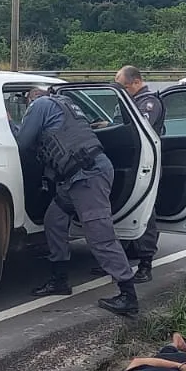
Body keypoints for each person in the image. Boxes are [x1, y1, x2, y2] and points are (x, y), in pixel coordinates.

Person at [11, 86, 139, 316]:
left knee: (101, 237)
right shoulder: (65, 104)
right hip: (78, 177)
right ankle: (60, 279)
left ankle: (128, 294)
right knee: (54, 219)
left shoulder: (40, 106)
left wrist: (10, 123)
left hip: (87, 178)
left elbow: (22, 142)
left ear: (31, 100)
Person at [91, 65, 166, 283]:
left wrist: (114, 127)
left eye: (123, 86)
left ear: (135, 82)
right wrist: (109, 125)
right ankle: (117, 261)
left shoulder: (149, 102)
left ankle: (145, 264)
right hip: (130, 161)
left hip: (146, 164)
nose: (121, 90)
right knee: (122, 210)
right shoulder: (131, 100)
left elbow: (138, 128)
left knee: (145, 212)